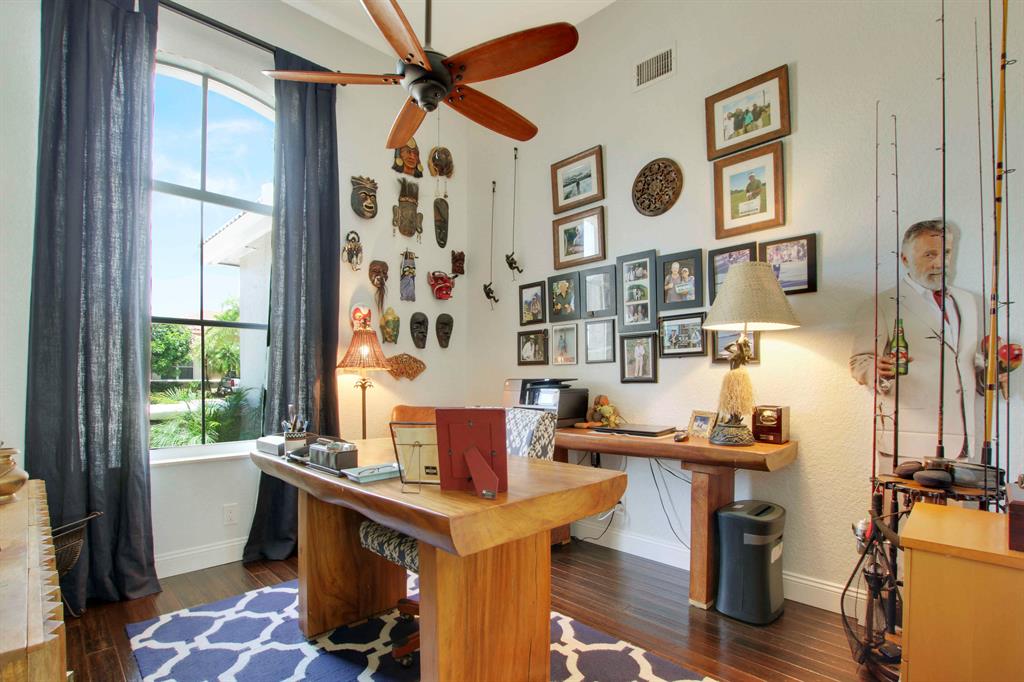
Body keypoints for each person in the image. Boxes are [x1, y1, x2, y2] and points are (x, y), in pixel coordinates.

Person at [849, 219, 998, 468]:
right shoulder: (880, 304)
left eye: (946, 253)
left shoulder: (968, 302)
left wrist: (996, 369)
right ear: (905, 259)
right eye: (930, 254)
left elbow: (967, 365)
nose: (940, 263)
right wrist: (878, 371)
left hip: (962, 444)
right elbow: (860, 362)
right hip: (907, 447)